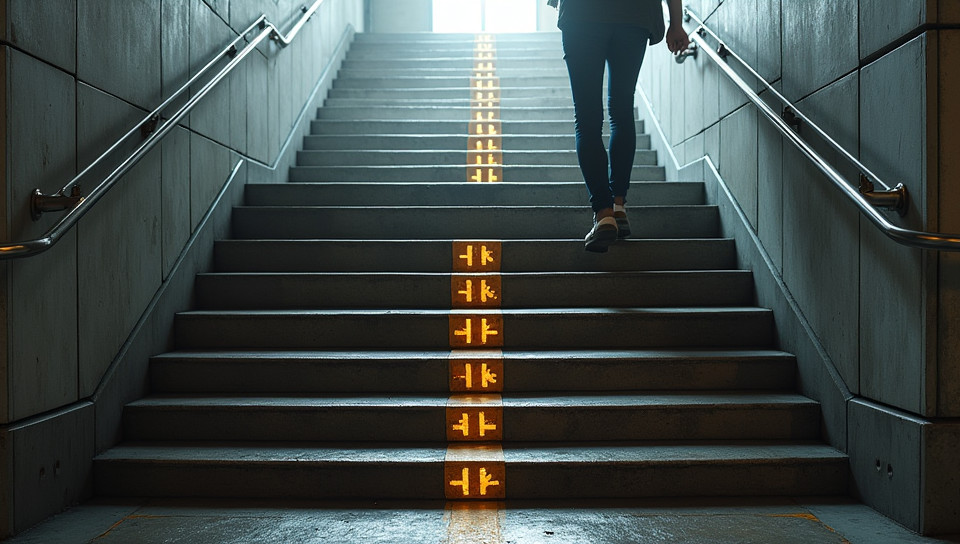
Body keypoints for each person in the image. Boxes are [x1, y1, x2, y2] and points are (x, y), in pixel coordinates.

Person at [553, 0, 690, 252]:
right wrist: (676, 23)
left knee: (587, 118)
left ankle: (604, 214)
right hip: (635, 15)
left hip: (582, 13)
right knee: (621, 109)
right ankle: (618, 205)